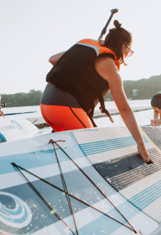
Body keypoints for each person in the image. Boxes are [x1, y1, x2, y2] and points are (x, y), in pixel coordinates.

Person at [40, 20, 150, 163]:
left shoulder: (89, 46)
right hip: (65, 109)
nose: (128, 55)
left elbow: (53, 59)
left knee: (66, 150)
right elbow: (124, 109)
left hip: (46, 106)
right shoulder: (111, 69)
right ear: (123, 47)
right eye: (130, 51)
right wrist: (140, 143)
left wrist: (79, 53)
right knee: (93, 149)